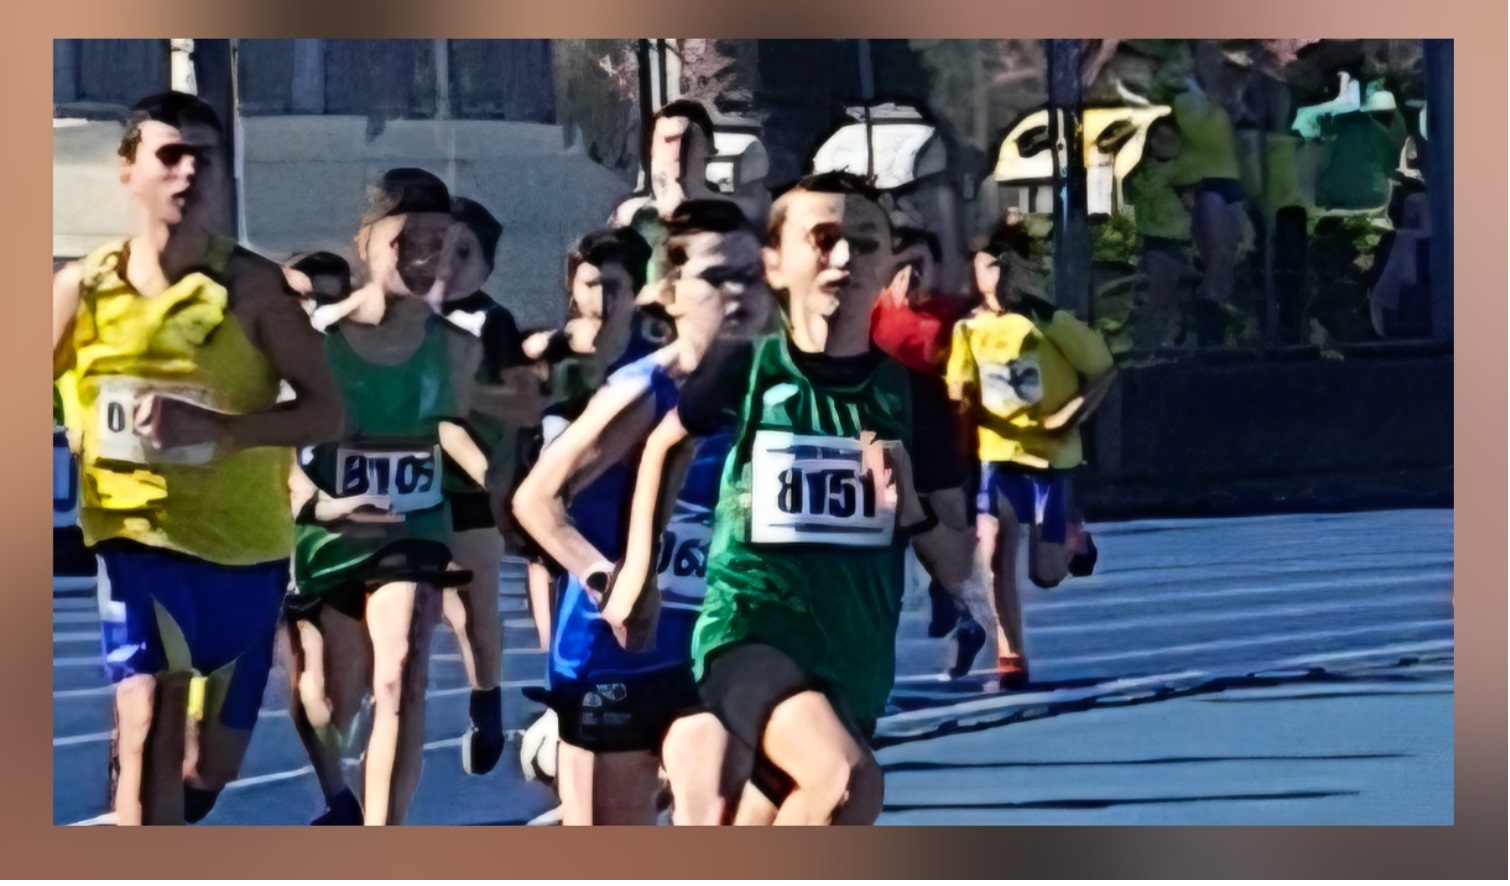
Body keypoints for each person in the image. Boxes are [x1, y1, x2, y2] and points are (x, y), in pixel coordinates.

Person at [51, 91, 344, 826]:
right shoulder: (82, 287)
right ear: (128, 170)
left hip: (244, 550)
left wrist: (221, 429)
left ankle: (165, 795)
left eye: (204, 158)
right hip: (133, 536)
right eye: (170, 155)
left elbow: (329, 410)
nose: (188, 171)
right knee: (151, 711)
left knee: (206, 769)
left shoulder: (254, 288)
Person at [669, 172, 977, 826]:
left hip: (853, 655)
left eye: (865, 243)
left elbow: (954, 564)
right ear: (775, 263)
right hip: (749, 628)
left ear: (890, 265)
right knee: (844, 781)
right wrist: (637, 570)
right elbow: (664, 446)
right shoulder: (746, 367)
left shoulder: (915, 401)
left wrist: (906, 500)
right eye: (823, 238)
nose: (844, 257)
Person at [513, 199, 773, 826]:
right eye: (717, 277)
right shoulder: (644, 390)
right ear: (669, 293)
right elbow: (536, 499)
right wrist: (607, 578)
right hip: (614, 651)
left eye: (751, 275)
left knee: (716, 814)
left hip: (716, 650)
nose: (738, 294)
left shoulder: (776, 390)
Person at [281, 168, 490, 826]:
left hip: (411, 527)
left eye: (438, 243)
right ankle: (336, 794)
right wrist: (321, 505)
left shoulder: (456, 347)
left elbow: (453, 427)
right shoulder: (315, 342)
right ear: (365, 243)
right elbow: (285, 454)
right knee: (327, 701)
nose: (424, 258)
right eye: (406, 242)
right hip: (329, 535)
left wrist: (496, 476)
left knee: (402, 668)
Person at [945, 220, 1116, 691]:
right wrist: (964, 401)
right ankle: (1011, 657)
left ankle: (1073, 537)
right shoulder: (968, 329)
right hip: (997, 457)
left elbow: (1102, 370)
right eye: (988, 265)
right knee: (996, 557)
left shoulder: (1049, 322)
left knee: (1046, 575)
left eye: (1006, 265)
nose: (997, 274)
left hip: (1050, 461)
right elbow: (959, 386)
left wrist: (1067, 417)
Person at [428, 195, 546, 776]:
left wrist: (502, 477)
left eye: (464, 253)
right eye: (437, 248)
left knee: (472, 608)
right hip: (402, 490)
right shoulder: (394, 316)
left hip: (469, 486)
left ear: (487, 266)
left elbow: (507, 411)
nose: (447, 263)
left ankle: (487, 702)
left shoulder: (488, 322)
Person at [869, 225, 987, 675]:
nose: (912, 274)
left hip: (939, 428)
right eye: (903, 265)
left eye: (920, 263)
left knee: (950, 519)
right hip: (887, 432)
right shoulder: (871, 312)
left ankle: (961, 609)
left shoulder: (953, 315)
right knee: (899, 527)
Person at [1121, 115, 1192, 350]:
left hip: (1176, 245)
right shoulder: (1151, 173)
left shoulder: (1178, 172)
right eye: (1164, 138)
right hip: (1159, 244)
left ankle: (1167, 341)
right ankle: (1161, 344)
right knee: (1160, 297)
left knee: (1168, 298)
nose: (1171, 143)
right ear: (1152, 142)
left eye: (1174, 138)